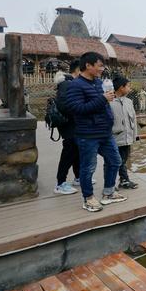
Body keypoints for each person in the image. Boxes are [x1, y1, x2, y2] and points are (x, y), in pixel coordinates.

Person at [66, 52, 126, 212]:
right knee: (88, 168)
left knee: (115, 161)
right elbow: (77, 109)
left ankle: (108, 193)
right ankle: (88, 198)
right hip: (88, 135)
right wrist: (102, 99)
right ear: (88, 66)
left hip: (105, 132)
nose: (102, 68)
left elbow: (102, 105)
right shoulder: (75, 85)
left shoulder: (99, 83)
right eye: (99, 65)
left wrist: (107, 101)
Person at [54, 60, 82, 195]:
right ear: (77, 70)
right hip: (69, 125)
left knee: (76, 151)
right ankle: (60, 183)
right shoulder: (66, 84)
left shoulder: (68, 83)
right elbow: (64, 106)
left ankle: (78, 177)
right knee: (68, 153)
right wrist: (80, 109)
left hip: (73, 125)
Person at [110, 76, 139, 189]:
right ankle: (112, 183)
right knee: (114, 161)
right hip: (115, 138)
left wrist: (134, 136)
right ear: (121, 88)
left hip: (127, 138)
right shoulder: (109, 102)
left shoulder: (129, 102)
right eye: (128, 86)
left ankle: (123, 180)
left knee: (123, 160)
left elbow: (134, 120)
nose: (129, 88)